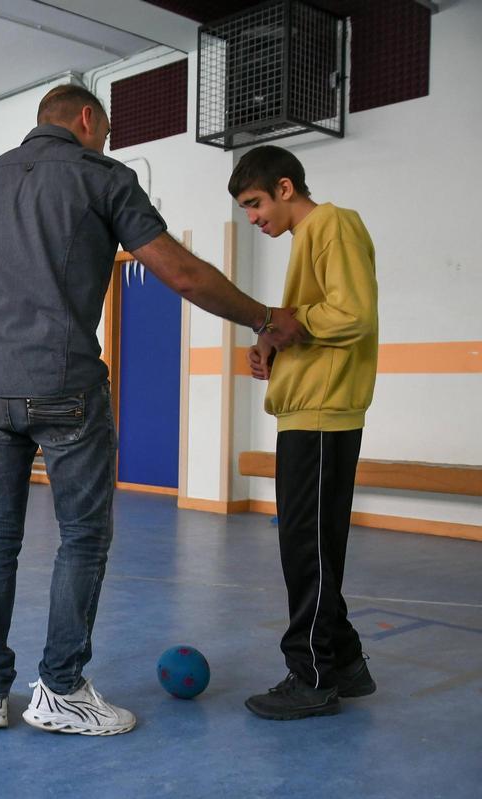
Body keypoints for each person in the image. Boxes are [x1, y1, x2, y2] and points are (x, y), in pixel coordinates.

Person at [0, 84, 301, 734]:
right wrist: (263, 317)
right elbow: (183, 274)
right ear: (87, 119)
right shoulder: (102, 177)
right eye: (107, 130)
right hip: (64, 384)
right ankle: (60, 688)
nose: (107, 141)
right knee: (82, 535)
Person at [231, 145, 379, 720]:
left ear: (285, 188)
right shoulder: (306, 240)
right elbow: (315, 318)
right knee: (307, 548)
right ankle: (345, 663)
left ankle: (311, 678)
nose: (253, 217)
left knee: (307, 552)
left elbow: (353, 314)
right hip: (305, 413)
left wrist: (285, 323)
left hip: (323, 413)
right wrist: (271, 340)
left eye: (255, 203)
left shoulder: (333, 225)